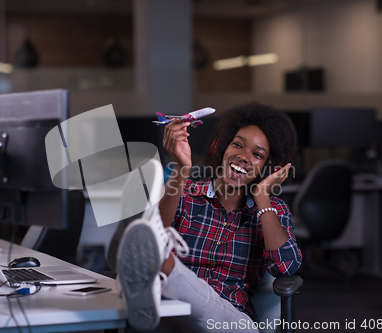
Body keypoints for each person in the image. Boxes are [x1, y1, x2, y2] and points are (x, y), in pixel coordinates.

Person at [117, 101, 302, 332]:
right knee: (155, 248)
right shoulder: (186, 193)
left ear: (269, 167)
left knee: (169, 271)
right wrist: (181, 169)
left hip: (232, 320)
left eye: (257, 154)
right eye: (237, 145)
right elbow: (154, 234)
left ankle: (162, 270)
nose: (243, 157)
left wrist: (262, 196)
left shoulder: (273, 210)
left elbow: (285, 267)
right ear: (222, 147)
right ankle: (155, 279)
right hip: (175, 311)